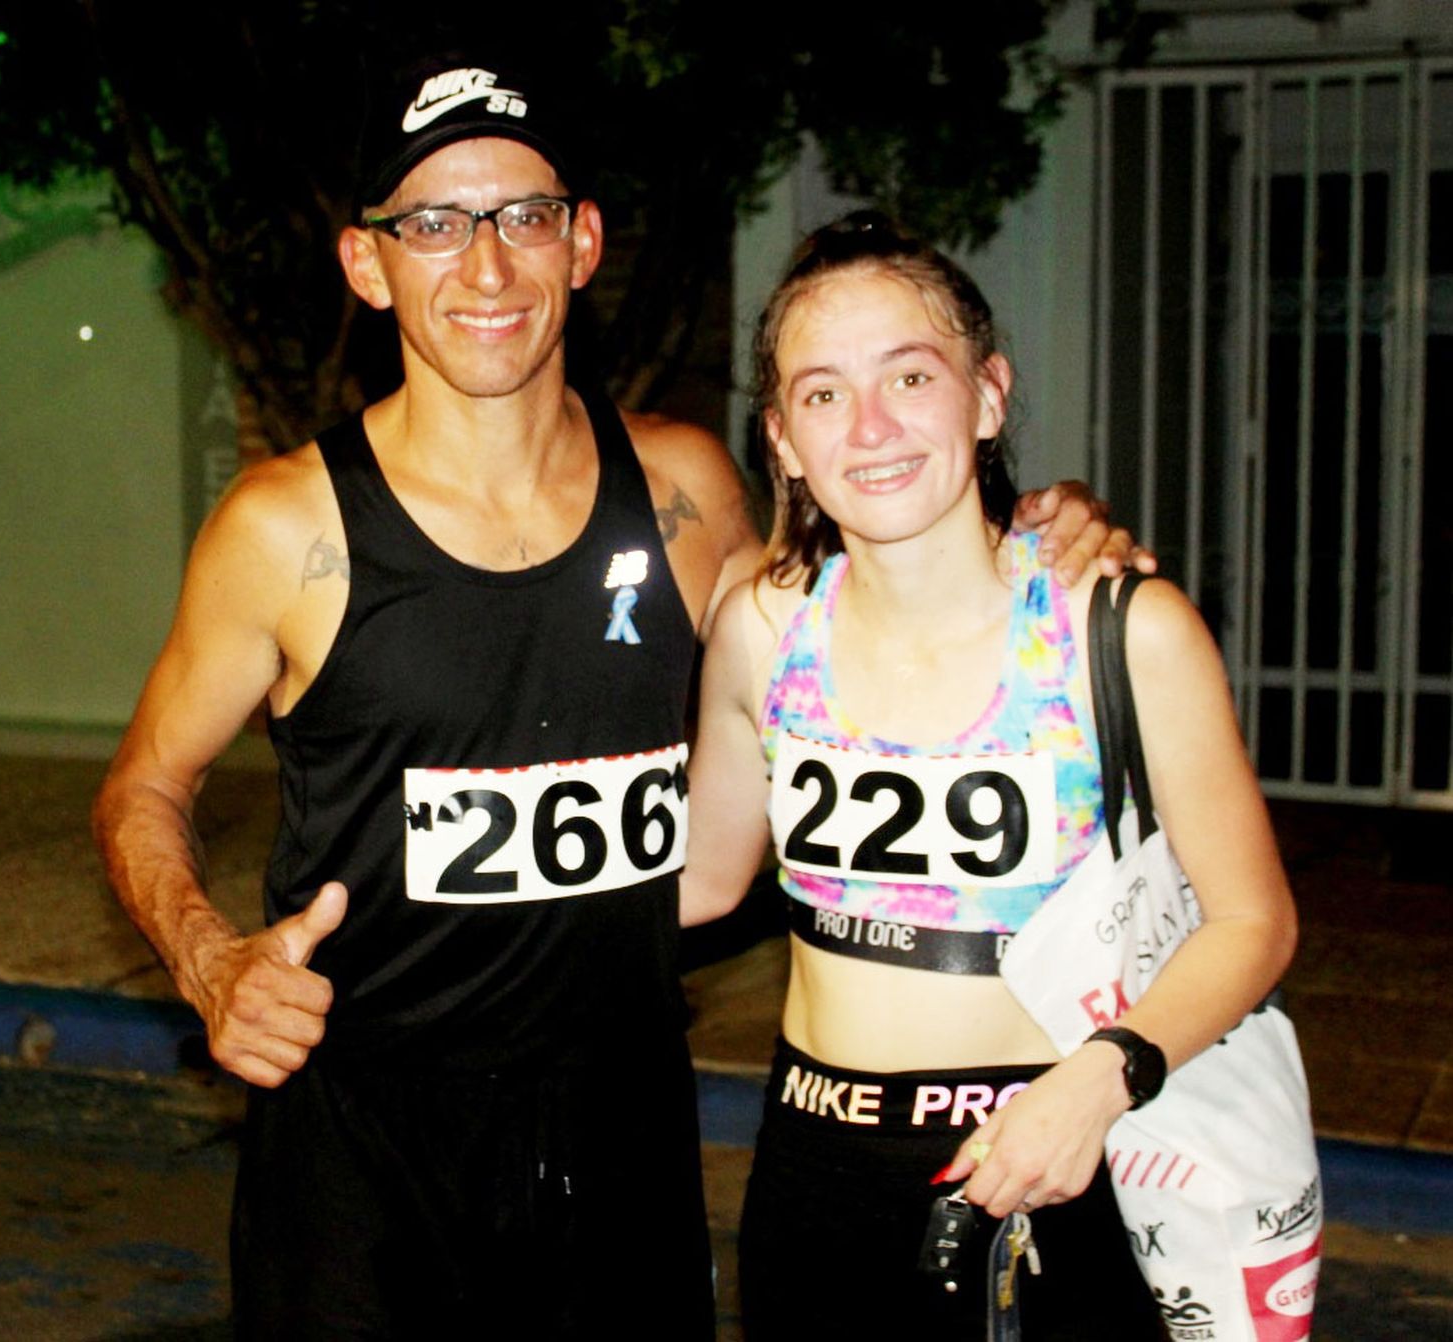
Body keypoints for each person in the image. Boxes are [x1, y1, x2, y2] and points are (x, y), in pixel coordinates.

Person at [93, 52, 1144, 1340]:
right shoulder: (283, 527)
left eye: (523, 215)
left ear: (581, 243)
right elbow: (145, 781)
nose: (486, 267)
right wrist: (207, 962)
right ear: (368, 266)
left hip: (623, 1141)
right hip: (364, 1154)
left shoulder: (687, 491)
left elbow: (848, 627)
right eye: (433, 224)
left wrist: (1035, 525)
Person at [682, 213, 1298, 1338]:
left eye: (910, 375)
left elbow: (1254, 920)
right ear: (780, 438)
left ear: (989, 394)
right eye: (821, 394)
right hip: (812, 1172)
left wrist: (1102, 1078)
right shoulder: (764, 628)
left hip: (1049, 1162)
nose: (870, 427)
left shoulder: (1117, 627)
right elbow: (698, 881)